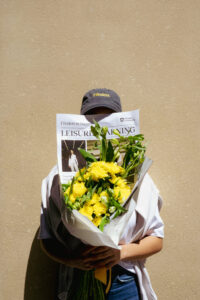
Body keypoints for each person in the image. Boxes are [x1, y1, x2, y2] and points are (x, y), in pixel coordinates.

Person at [38, 88, 164, 300]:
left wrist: (120, 253)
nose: (101, 126)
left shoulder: (139, 178)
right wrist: (72, 261)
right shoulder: (58, 177)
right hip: (77, 278)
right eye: (94, 118)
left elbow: (157, 239)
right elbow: (47, 238)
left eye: (109, 119)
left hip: (123, 281)